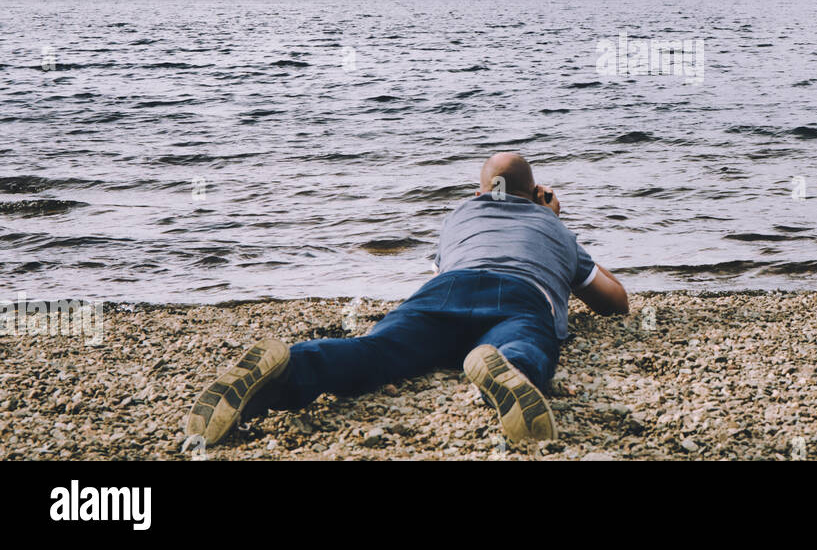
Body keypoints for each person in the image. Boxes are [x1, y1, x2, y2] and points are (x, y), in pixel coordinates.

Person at [184, 152, 628, 446]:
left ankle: (290, 368)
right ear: (536, 193)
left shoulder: (459, 216)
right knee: (524, 340)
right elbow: (615, 301)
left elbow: (445, 266)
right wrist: (556, 223)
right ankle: (510, 368)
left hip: (444, 290)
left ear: (479, 192)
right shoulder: (552, 226)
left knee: (375, 351)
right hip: (519, 294)